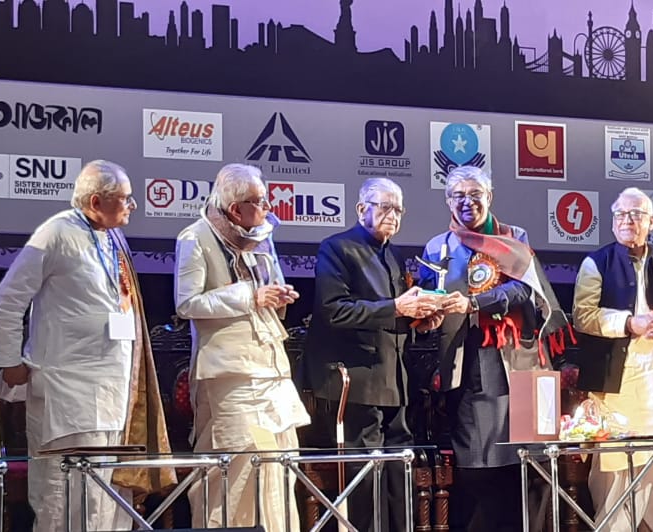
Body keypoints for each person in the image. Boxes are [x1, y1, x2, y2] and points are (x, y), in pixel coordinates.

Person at [0, 160, 174, 532]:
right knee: (64, 493)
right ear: (96, 201)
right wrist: (10, 362)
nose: (133, 205)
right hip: (67, 393)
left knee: (110, 494)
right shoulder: (55, 233)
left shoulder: (113, 237)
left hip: (114, 394)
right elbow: (7, 300)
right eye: (125, 198)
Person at [418, 165, 569, 532]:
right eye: (458, 195)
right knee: (480, 467)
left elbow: (525, 290)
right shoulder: (437, 247)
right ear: (447, 201)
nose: (467, 202)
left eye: (475, 194)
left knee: (534, 466)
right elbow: (427, 298)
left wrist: (475, 302)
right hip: (471, 364)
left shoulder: (513, 237)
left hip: (526, 359)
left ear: (489, 197)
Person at [175, 164, 310, 532]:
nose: (268, 208)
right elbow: (187, 303)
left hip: (270, 369)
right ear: (236, 209)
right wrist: (250, 296)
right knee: (236, 467)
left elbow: (269, 289)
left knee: (278, 463)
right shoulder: (195, 237)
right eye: (260, 202)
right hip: (230, 374)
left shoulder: (261, 236)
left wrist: (278, 296)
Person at [303, 177, 439, 532]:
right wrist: (396, 307)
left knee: (399, 475)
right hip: (357, 382)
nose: (393, 215)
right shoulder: (337, 248)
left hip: (395, 381)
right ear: (362, 209)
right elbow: (333, 311)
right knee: (365, 479)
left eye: (399, 210)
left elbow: (392, 316)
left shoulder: (393, 255)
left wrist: (419, 322)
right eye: (385, 207)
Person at [571, 187, 653, 532]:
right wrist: (629, 323)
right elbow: (583, 315)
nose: (628, 220)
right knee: (613, 478)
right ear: (613, 222)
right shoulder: (596, 263)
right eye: (621, 214)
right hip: (611, 384)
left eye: (636, 214)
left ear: (651, 222)